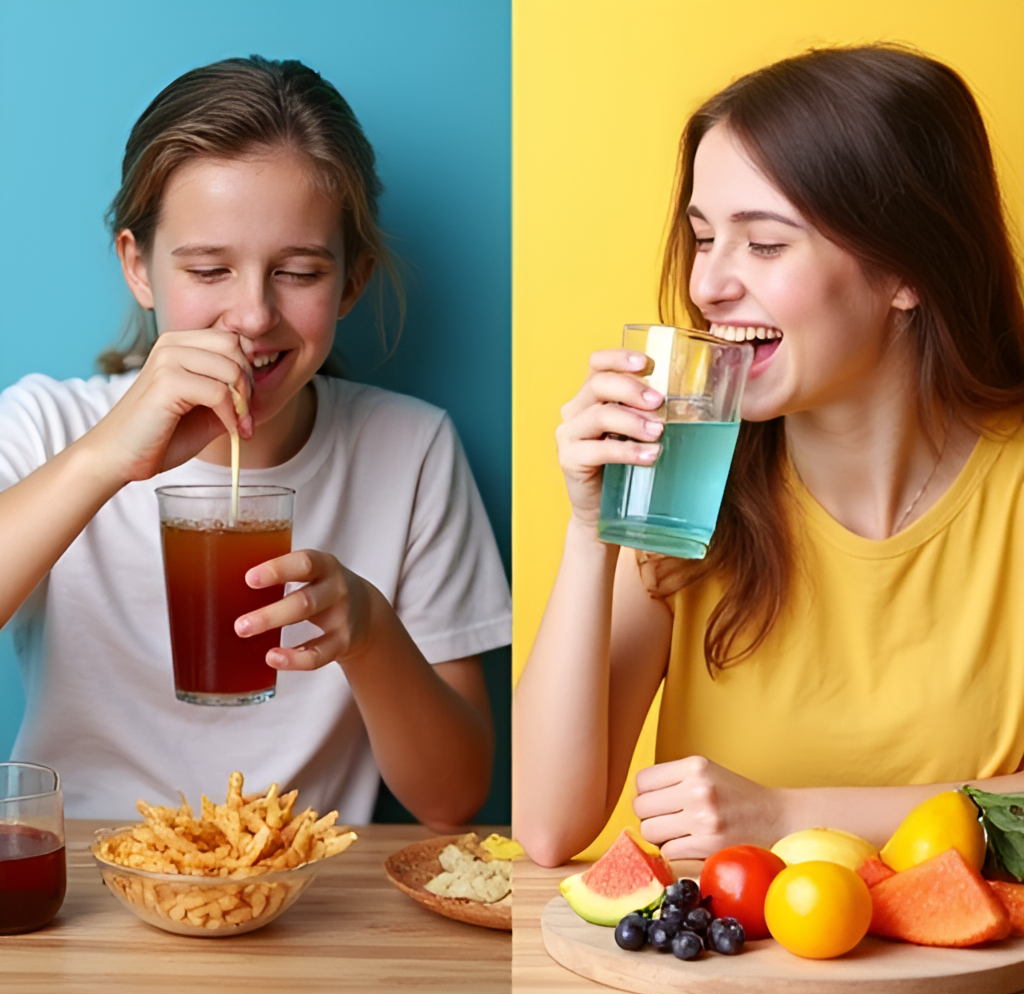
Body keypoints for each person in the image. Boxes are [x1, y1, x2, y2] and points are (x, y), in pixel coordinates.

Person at [513, 44, 1024, 867]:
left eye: (765, 245)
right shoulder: (684, 485)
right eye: (704, 237)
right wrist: (588, 530)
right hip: (716, 988)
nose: (707, 283)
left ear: (904, 272)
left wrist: (790, 814)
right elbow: (546, 828)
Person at [0, 57, 511, 828]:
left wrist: (369, 633)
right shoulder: (47, 425)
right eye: (209, 269)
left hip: (300, 898)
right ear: (138, 268)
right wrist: (103, 460)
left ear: (351, 281)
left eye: (299, 272)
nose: (252, 314)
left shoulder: (410, 450)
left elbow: (452, 799)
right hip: (75, 892)